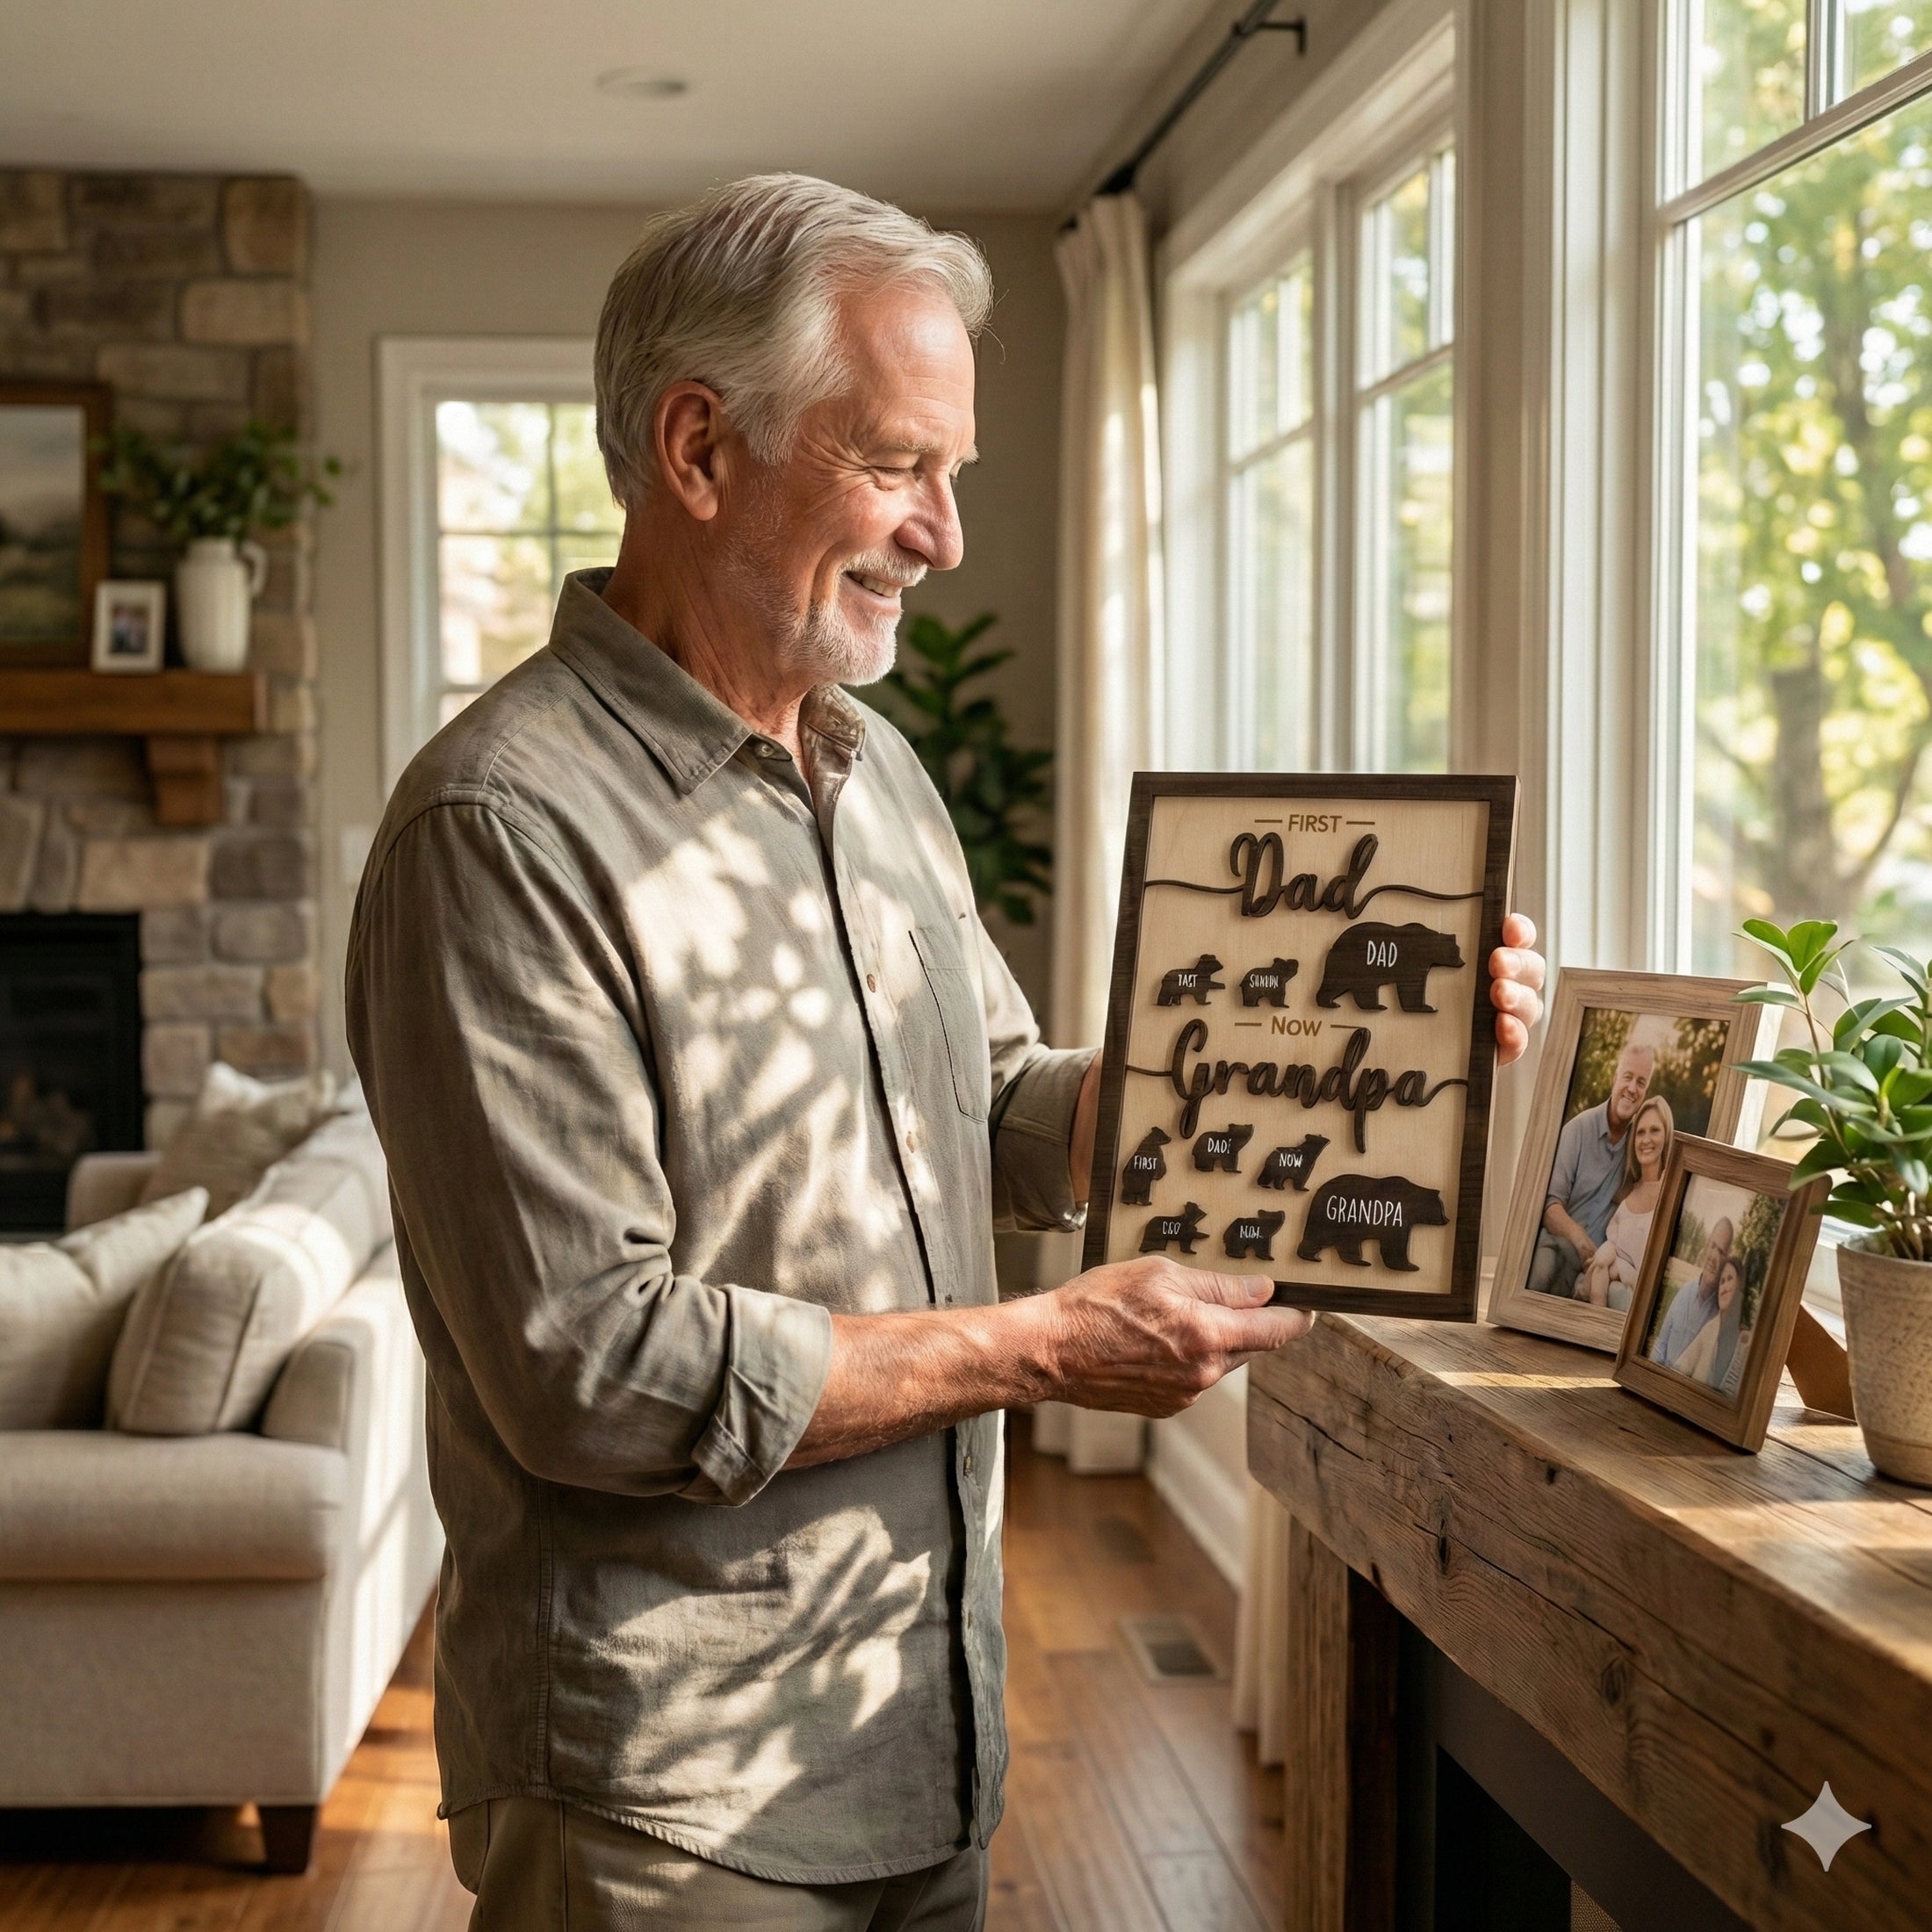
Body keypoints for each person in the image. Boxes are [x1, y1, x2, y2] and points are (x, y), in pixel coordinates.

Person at [346, 173, 1548, 1932]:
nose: (945, 535)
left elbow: (997, 1107)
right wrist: (1044, 1346)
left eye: (952, 472)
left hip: (924, 1723)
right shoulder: (501, 829)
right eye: (898, 464)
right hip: (667, 1793)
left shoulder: (877, 773)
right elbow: (590, 1366)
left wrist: (1354, 1052)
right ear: (697, 449)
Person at [1527, 1039, 1655, 1298]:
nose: (1632, 1088)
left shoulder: (1640, 1147)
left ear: (1646, 1091)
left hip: (1597, 1266)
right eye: (1627, 1077)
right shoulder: (1578, 1130)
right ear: (1614, 1078)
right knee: (1539, 1275)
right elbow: (1549, 1208)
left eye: (1641, 1082)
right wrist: (1579, 1239)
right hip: (1556, 1247)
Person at [1581, 1095, 1674, 1310]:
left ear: (1667, 1135)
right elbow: (1607, 1257)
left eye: (1655, 1130)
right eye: (1640, 1132)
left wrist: (1621, 1267)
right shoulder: (1624, 1197)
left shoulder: (1672, 1192)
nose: (1646, 1139)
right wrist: (1610, 1254)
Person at [1649, 1217, 1735, 1371]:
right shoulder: (1683, 1293)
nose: (1714, 1257)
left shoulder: (1720, 1314)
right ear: (1706, 1247)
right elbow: (1661, 1343)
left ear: (1727, 1260)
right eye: (1713, 1246)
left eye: (1721, 1252)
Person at [1677, 1253, 1748, 1391]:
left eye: (1729, 1279)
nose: (1724, 1287)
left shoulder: (1745, 1342)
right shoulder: (1708, 1331)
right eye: (1722, 1281)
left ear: (1740, 1288)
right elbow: (1681, 1367)